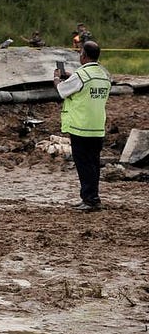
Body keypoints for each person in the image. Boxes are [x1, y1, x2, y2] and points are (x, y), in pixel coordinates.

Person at [54, 41, 110, 211]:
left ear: (84, 55)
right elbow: (87, 87)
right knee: (93, 164)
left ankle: (89, 200)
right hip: (98, 126)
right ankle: (93, 196)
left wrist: (57, 79)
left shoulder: (81, 74)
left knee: (84, 164)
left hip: (80, 126)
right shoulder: (103, 74)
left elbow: (62, 91)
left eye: (80, 52)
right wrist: (72, 76)